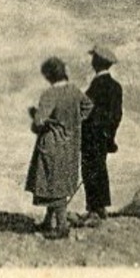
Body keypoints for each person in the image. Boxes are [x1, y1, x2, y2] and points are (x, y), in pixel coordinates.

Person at [25, 55, 93, 239]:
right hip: (70, 143)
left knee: (51, 183)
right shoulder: (74, 90)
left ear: (48, 76)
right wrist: (74, 121)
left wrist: (35, 116)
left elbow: (38, 123)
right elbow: (88, 105)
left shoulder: (49, 94)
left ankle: (62, 226)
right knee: (60, 182)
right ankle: (49, 220)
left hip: (53, 143)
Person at [80, 45, 124, 223]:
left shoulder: (96, 85)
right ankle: (101, 208)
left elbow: (85, 112)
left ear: (97, 62)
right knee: (100, 169)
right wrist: (110, 135)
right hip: (105, 136)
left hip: (91, 136)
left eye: (94, 58)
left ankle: (94, 209)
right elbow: (117, 115)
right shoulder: (115, 86)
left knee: (90, 170)